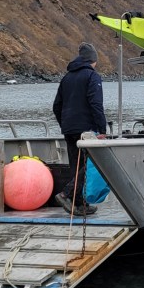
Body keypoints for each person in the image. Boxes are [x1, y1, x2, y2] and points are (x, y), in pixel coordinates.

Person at [52, 42, 107, 216]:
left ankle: (80, 204)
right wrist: (102, 129)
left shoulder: (66, 78)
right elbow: (96, 104)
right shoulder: (92, 77)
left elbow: (56, 105)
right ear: (93, 60)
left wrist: (65, 124)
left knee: (76, 166)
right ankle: (66, 194)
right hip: (86, 129)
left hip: (69, 129)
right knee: (92, 163)